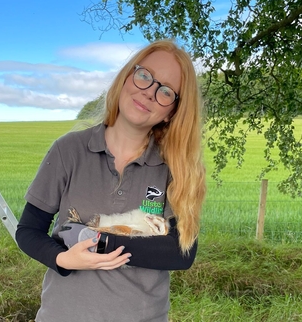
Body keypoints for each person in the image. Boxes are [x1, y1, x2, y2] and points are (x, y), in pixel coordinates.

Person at [16, 39, 206, 322]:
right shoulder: (68, 150)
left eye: (166, 92)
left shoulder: (176, 168)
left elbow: (181, 252)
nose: (150, 93)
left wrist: (97, 241)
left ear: (172, 113)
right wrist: (63, 259)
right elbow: (28, 231)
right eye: (145, 76)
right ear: (127, 76)